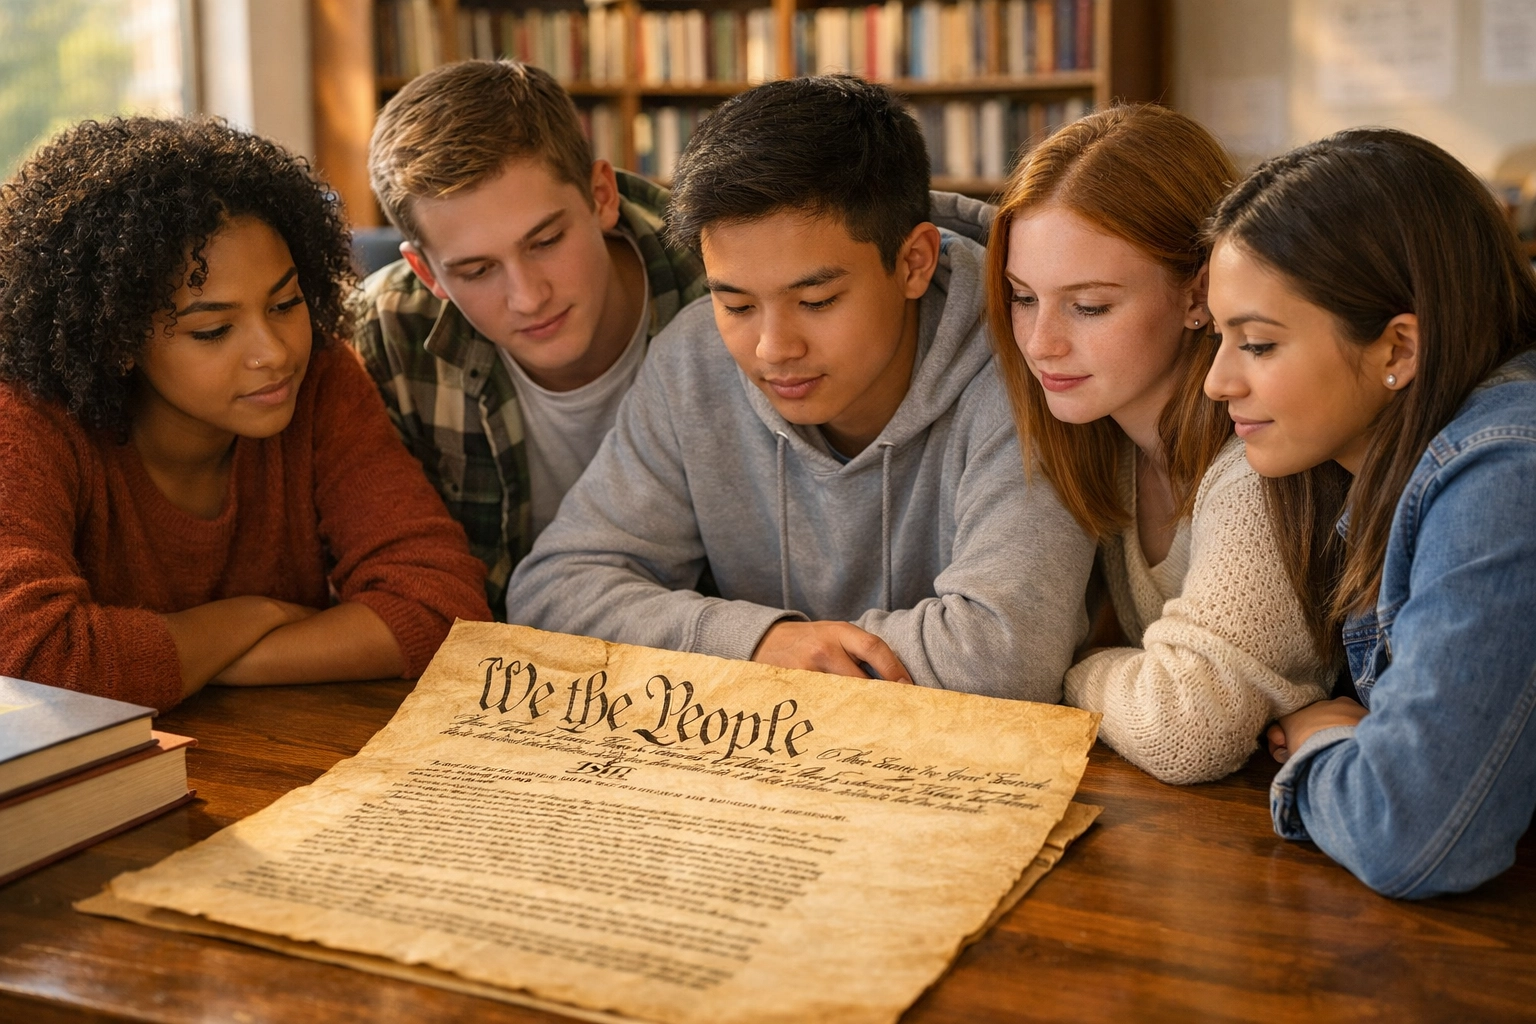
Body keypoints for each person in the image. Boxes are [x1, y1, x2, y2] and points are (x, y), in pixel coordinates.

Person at [506, 75, 1094, 696]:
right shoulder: (693, 359)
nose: (772, 349)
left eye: (816, 300)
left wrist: (787, 660)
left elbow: (1005, 656)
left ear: (914, 263)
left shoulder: (1029, 360)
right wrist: (759, 643)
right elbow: (554, 591)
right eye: (735, 305)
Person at [0, 117, 493, 711]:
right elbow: (33, 661)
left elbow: (442, 605)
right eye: (213, 330)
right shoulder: (27, 419)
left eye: (286, 303)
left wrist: (205, 660)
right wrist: (250, 617)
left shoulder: (320, 381)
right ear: (117, 340)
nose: (275, 353)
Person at [1204, 128, 1536, 897]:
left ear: (1398, 350)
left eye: (1256, 344)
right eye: (1220, 336)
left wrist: (1326, 751)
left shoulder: (1505, 469)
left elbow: (1409, 832)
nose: (1218, 381)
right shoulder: (1378, 461)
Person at [986, 104, 1334, 783]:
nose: (1040, 342)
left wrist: (1065, 671)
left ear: (1198, 293)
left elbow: (1186, 730)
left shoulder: (1251, 469)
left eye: (1089, 305)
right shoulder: (1105, 443)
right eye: (1023, 297)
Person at [354, 60, 708, 615]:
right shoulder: (387, 330)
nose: (528, 297)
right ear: (427, 274)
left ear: (601, 195)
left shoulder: (720, 281)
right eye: (476, 271)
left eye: (545, 241)